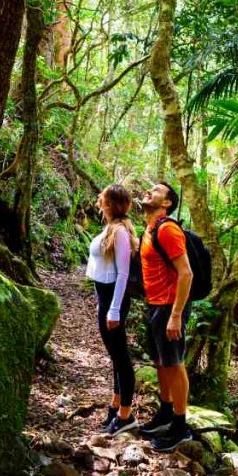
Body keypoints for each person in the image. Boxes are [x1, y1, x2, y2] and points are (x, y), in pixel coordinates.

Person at [137, 181, 195, 452]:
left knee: (174, 363)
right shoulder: (149, 229)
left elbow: (186, 273)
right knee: (161, 362)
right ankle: (165, 412)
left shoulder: (168, 229)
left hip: (171, 306)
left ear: (167, 202)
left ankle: (180, 427)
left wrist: (176, 315)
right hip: (155, 305)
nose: (149, 190)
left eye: (156, 190)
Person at [86, 184, 140, 437]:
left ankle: (126, 415)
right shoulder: (111, 227)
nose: (99, 198)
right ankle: (116, 404)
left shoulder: (119, 232)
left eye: (103, 196)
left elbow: (123, 273)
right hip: (105, 297)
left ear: (111, 203)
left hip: (113, 299)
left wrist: (114, 310)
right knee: (115, 356)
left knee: (121, 357)